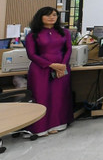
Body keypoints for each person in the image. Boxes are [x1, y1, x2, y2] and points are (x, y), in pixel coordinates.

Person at [23, 7, 72, 137]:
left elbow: (68, 50)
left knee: (58, 97)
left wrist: (62, 66)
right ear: (40, 17)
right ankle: (41, 128)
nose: (52, 17)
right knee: (41, 97)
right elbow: (31, 54)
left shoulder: (64, 32)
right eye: (48, 15)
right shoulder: (32, 34)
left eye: (55, 15)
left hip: (61, 69)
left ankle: (56, 124)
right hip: (41, 69)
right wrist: (51, 65)